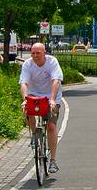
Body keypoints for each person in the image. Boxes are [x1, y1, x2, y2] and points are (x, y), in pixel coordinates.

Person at [19, 43, 63, 174]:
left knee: (51, 126)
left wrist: (53, 100)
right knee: (28, 108)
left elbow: (56, 80)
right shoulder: (27, 64)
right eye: (33, 53)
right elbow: (24, 83)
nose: (35, 56)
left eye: (38, 53)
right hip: (34, 95)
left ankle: (53, 161)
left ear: (44, 53)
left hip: (51, 95)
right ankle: (34, 134)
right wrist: (25, 99)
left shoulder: (52, 62)